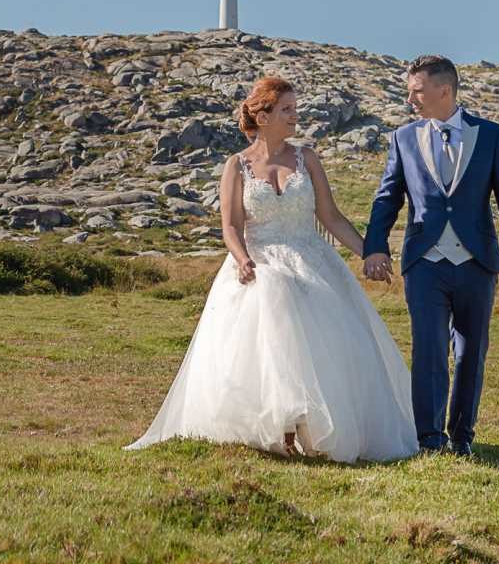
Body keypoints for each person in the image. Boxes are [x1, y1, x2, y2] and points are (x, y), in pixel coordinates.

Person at [126, 77, 418, 462]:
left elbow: (330, 216)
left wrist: (370, 252)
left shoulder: (306, 158)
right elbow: (230, 225)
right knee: (273, 304)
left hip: (311, 259)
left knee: (330, 340)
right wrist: (243, 257)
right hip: (259, 260)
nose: (295, 117)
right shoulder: (236, 166)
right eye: (287, 110)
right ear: (262, 116)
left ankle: (317, 429)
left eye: (295, 109)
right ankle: (278, 425)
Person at [362, 55, 499, 457]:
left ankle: (462, 438)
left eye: (416, 91)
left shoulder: (491, 135)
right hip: (424, 263)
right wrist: (375, 247)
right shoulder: (403, 138)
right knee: (428, 349)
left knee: (471, 352)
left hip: (477, 263)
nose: (410, 99)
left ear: (444, 90)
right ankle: (430, 440)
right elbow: (387, 198)